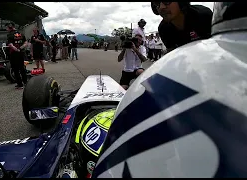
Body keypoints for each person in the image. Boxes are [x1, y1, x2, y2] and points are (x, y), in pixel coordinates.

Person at [92, 2, 247, 178]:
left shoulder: (203, 15)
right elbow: (176, 56)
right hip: (191, 71)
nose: (162, 7)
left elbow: (220, 49)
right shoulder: (164, 28)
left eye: (166, 1)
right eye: (157, 4)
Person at [6, 22, 28, 89]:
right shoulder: (21, 33)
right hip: (21, 53)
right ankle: (25, 82)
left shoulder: (10, 34)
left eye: (7, 27)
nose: (6, 29)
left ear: (10, 27)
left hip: (14, 54)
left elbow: (10, 45)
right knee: (22, 68)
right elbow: (26, 42)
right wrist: (20, 48)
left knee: (15, 69)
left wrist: (16, 49)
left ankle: (20, 84)